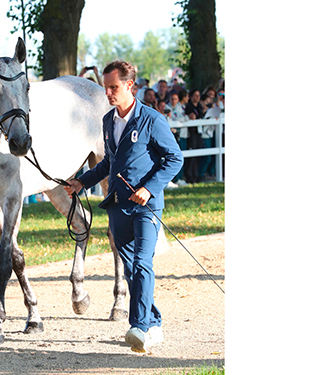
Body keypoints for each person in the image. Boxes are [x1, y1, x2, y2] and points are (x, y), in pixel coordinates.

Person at [63, 60, 183, 353]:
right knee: (131, 269)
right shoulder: (107, 121)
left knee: (142, 264)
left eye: (113, 87)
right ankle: (153, 322)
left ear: (130, 85)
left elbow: (174, 159)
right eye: (106, 88)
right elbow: (108, 162)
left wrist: (149, 188)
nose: (108, 93)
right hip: (117, 206)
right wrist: (82, 181)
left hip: (146, 207)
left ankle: (139, 327)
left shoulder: (152, 120)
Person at [183, 89, 202, 184]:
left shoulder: (200, 107)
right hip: (191, 133)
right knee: (191, 156)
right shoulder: (188, 107)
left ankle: (196, 175)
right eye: (195, 95)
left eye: (199, 95)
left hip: (198, 133)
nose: (197, 97)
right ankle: (189, 176)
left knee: (198, 155)